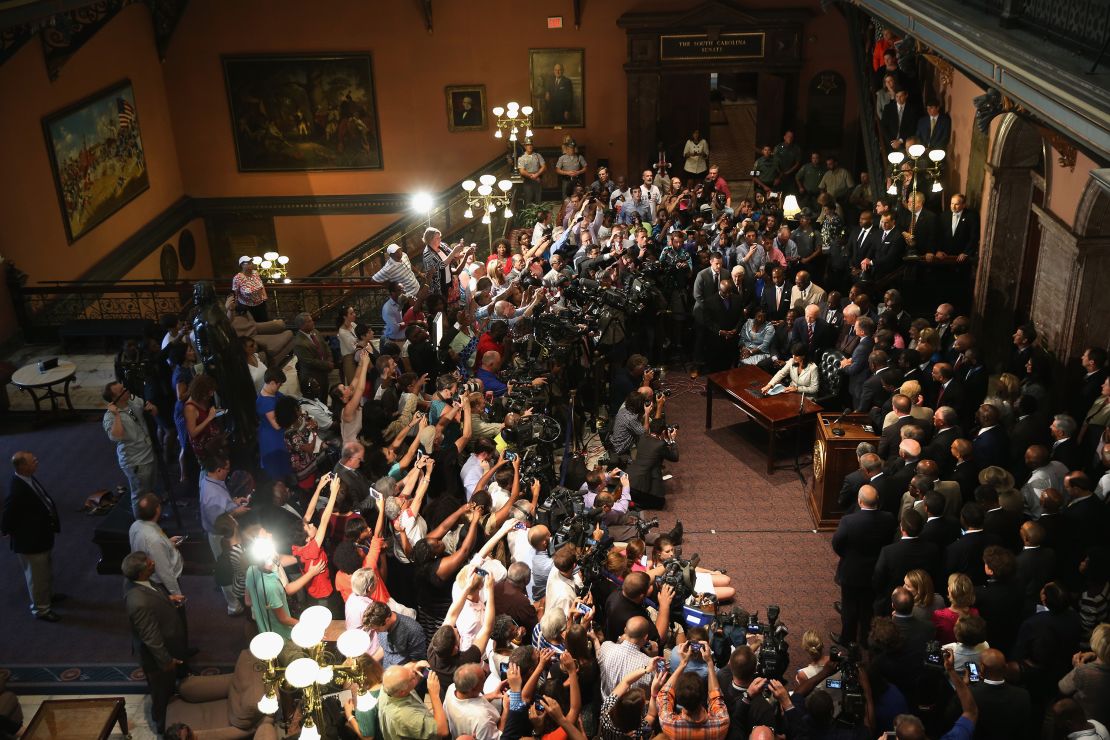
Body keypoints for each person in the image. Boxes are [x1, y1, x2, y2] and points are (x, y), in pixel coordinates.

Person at [122, 551, 187, 735]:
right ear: (142, 572)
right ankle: (162, 727)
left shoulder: (138, 582)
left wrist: (167, 600)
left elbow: (151, 594)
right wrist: (166, 661)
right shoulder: (138, 602)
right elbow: (151, 637)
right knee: (161, 692)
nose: (154, 564)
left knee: (165, 688)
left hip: (166, 647)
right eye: (151, 564)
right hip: (157, 660)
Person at [831, 485, 896, 646]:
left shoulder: (849, 521)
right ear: (878, 501)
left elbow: (837, 543)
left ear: (860, 501)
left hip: (852, 571)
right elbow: (889, 542)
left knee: (849, 607)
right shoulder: (889, 518)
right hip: (876, 570)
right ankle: (866, 639)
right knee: (868, 606)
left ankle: (847, 639)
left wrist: (847, 555)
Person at [2, 451, 63, 622]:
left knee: (45, 572)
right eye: (32, 460)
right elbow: (7, 516)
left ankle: (48, 596)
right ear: (23, 467)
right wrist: (7, 530)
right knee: (37, 578)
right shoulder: (17, 491)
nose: (36, 461)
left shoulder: (27, 479)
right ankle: (41, 609)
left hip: (41, 537)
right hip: (31, 542)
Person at [102, 381, 159, 517]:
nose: (126, 390)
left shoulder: (134, 401)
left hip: (149, 452)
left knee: (150, 489)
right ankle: (141, 523)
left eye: (124, 387)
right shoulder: (109, 417)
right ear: (114, 398)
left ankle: (151, 516)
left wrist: (153, 409)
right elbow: (117, 436)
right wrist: (116, 415)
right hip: (135, 460)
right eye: (121, 390)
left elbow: (154, 413)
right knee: (139, 494)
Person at [656, 641, 730, 738]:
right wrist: (709, 662)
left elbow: (664, 694)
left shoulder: (668, 723)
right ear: (703, 696)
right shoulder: (721, 723)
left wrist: (683, 663)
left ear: (678, 698)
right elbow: (716, 697)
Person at [129, 493, 184, 599]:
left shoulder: (135, 525)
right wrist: (177, 594)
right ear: (158, 509)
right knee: (174, 613)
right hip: (161, 583)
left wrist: (167, 543)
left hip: (151, 577)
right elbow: (164, 571)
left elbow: (147, 547)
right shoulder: (154, 540)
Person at [376, 662, 449, 739]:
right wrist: (434, 695)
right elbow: (442, 730)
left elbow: (402, 676)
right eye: (412, 678)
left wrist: (414, 667)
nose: (413, 673)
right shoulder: (406, 716)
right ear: (402, 692)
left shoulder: (388, 685)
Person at [231, 256, 268, 321]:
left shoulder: (255, 273)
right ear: (242, 265)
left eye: (251, 262)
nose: (251, 264)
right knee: (252, 326)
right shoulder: (237, 278)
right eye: (248, 263)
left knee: (264, 322)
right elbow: (235, 292)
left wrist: (265, 295)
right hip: (247, 307)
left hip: (260, 304)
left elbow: (261, 284)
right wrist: (236, 306)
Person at [517, 140, 546, 205]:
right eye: (527, 145)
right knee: (528, 201)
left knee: (538, 201)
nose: (529, 146)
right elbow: (522, 171)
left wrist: (537, 175)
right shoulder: (521, 158)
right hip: (528, 181)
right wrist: (533, 177)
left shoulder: (538, 156)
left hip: (537, 180)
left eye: (531, 145)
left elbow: (544, 167)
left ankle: (538, 215)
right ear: (525, 147)